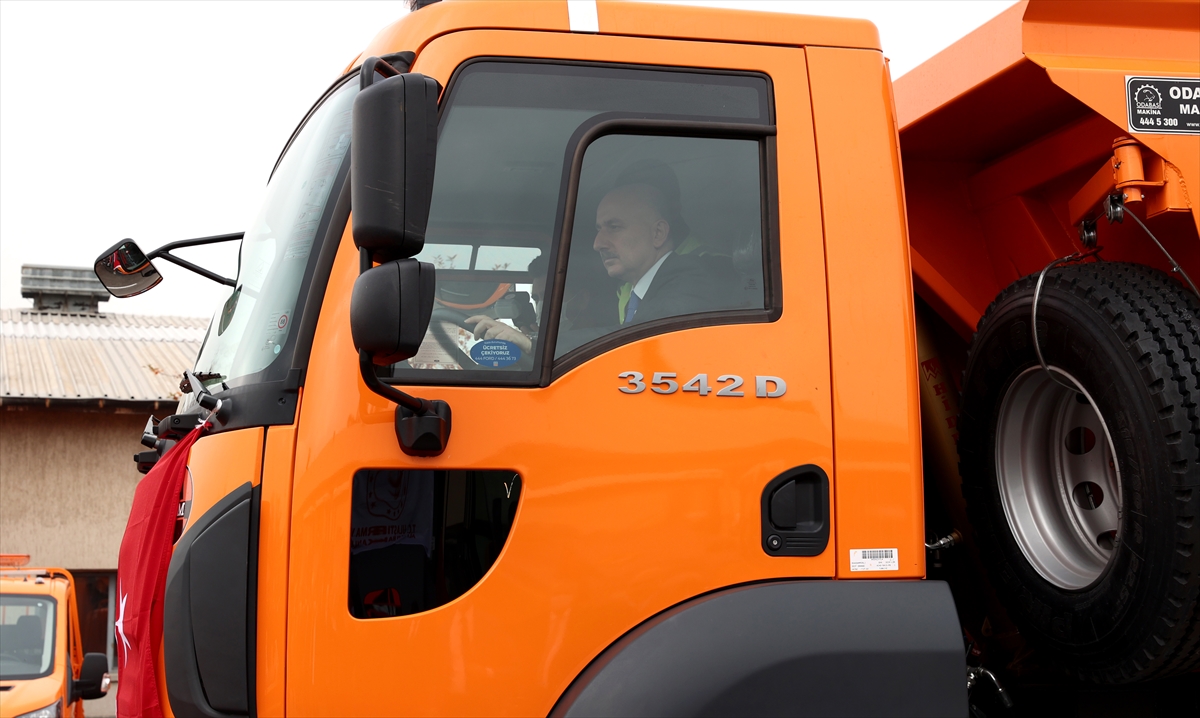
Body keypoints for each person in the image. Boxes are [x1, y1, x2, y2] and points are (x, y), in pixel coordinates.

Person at [593, 160, 735, 326]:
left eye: (615, 226)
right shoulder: (628, 283)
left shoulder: (711, 270)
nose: (597, 244)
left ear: (659, 231)